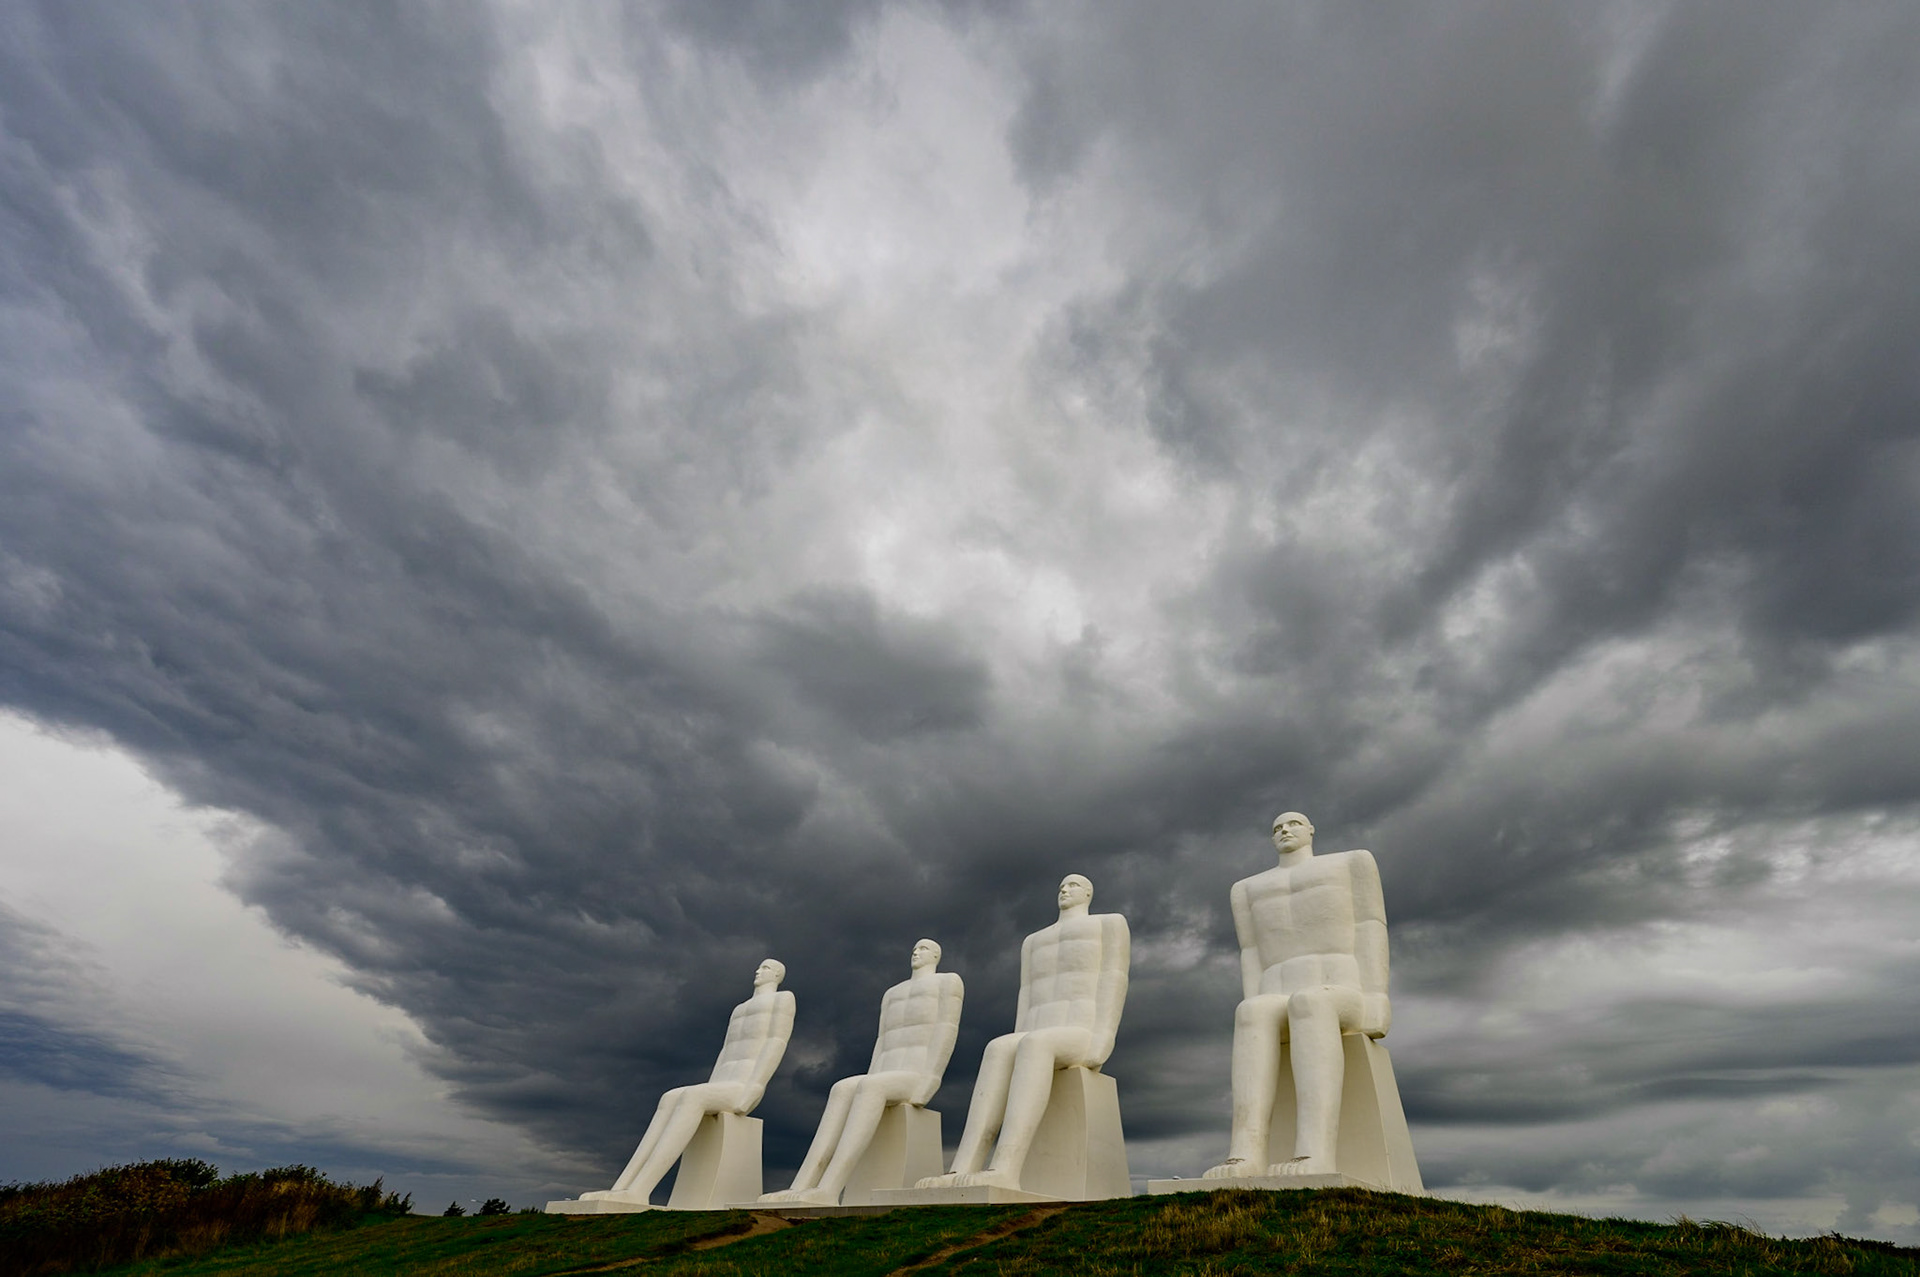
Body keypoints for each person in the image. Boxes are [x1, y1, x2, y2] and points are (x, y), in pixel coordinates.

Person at [1203, 812, 1390, 1179]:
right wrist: (1255, 1000)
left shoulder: (1351, 862)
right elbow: (1251, 952)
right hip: (1278, 990)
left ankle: (1314, 1152)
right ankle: (1245, 1154)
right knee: (1251, 1012)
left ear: (1311, 831)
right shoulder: (1247, 889)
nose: (1284, 830)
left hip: (1341, 989)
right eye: (1276, 828)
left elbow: (1370, 927)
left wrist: (1377, 996)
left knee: (1311, 1002)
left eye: (1293, 824)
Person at [916, 874, 1129, 1191]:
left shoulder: (1109, 924)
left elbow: (1114, 976)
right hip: (1036, 1033)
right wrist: (1018, 1043)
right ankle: (961, 1168)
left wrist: (1103, 1038)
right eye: (1062, 885)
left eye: (1073, 885)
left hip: (1080, 1031)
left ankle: (1006, 1168)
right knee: (998, 1047)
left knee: (1036, 1043)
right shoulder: (1033, 941)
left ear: (1088, 893)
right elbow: (1026, 996)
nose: (1064, 889)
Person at [759, 939, 963, 1205]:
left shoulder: (948, 982)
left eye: (923, 948)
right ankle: (802, 1184)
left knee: (870, 1087)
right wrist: (871, 1075)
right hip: (885, 1073)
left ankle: (830, 1188)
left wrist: (931, 1079)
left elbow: (946, 1028)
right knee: (842, 1087)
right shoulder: (892, 993)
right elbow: (882, 1041)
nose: (916, 951)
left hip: (914, 1073)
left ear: (936, 955)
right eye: (914, 948)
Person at [582, 957, 795, 1203]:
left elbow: (775, 1043)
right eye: (759, 966)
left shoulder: (783, 999)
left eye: (766, 968)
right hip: (721, 1084)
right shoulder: (739, 1009)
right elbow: (726, 1051)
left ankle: (641, 1189)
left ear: (778, 975)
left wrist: (755, 1087)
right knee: (670, 1096)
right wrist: (710, 1085)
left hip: (743, 1085)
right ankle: (622, 1187)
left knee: (691, 1096)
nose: (758, 971)